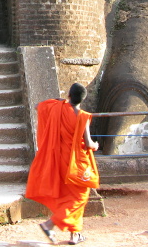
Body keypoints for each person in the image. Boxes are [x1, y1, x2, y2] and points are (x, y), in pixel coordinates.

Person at [25, 83, 100, 245]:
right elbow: (88, 143)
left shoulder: (57, 108)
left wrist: (56, 101)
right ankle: (49, 225)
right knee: (79, 197)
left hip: (59, 160)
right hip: (77, 163)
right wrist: (95, 145)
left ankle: (75, 235)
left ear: (69, 95)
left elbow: (39, 107)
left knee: (69, 196)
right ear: (83, 99)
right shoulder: (83, 116)